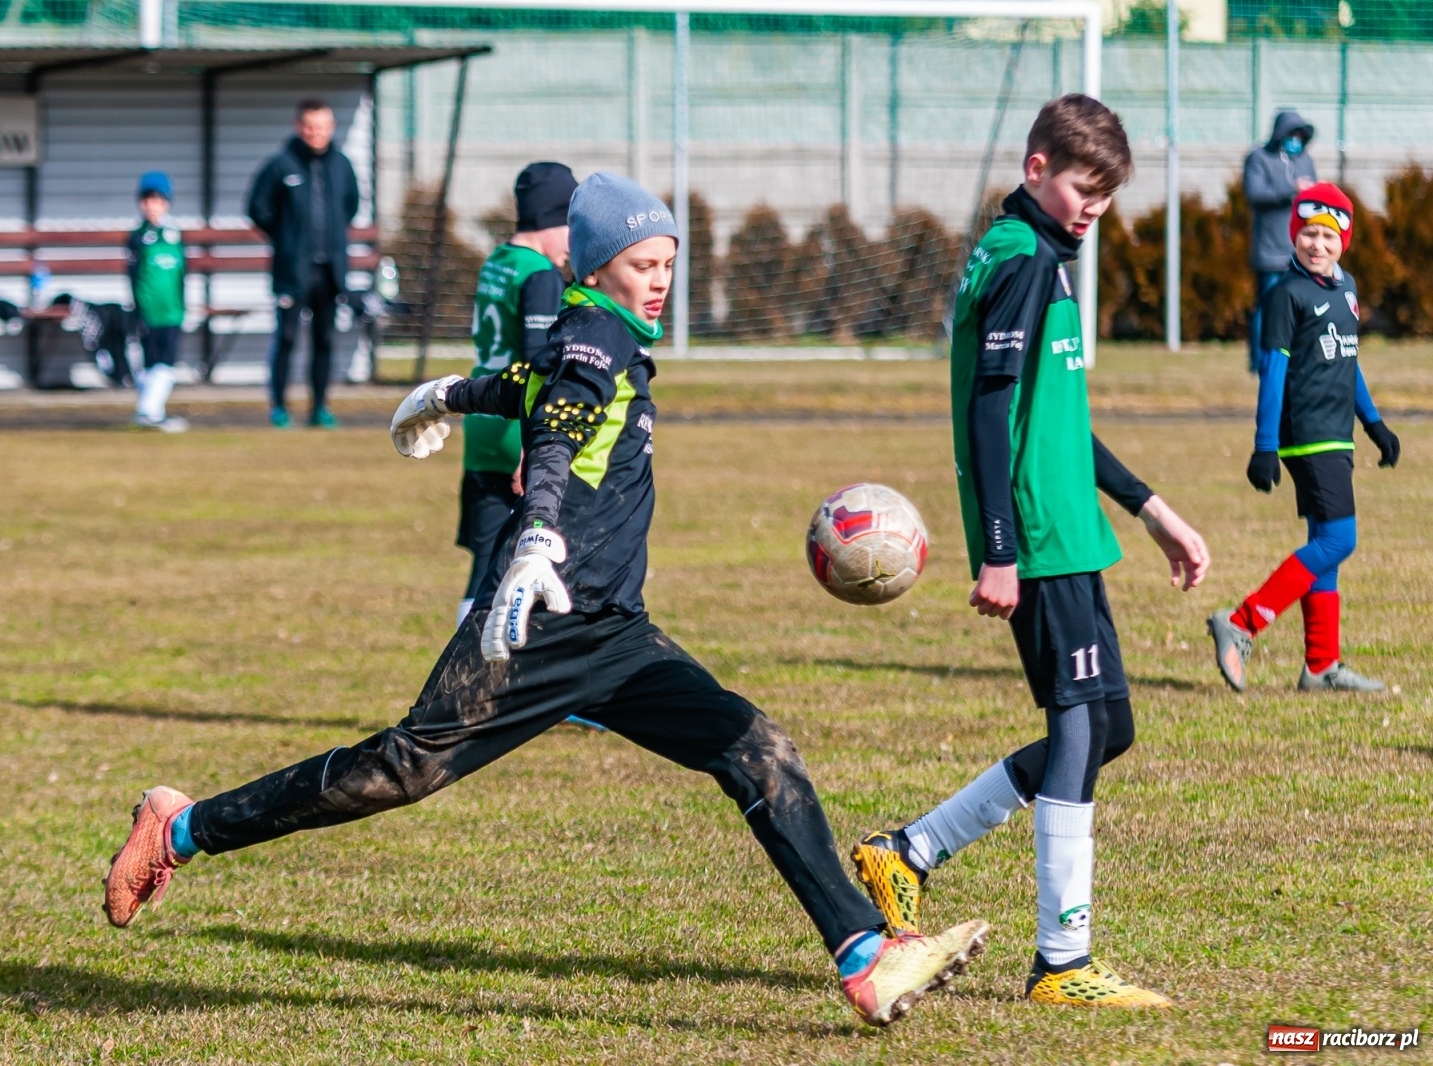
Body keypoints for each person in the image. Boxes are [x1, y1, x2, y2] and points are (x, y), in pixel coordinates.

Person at [101, 172, 990, 1029]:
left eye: (670, 267)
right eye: (646, 266)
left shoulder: (588, 334)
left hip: (615, 635)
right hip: (540, 627)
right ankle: (183, 828)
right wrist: (534, 534)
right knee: (400, 769)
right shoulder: (595, 342)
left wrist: (452, 392)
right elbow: (560, 429)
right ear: (597, 264)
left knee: (755, 749)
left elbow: (528, 387)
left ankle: (865, 958)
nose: (661, 284)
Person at [849, 95, 1210, 1009]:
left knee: (1105, 728)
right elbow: (988, 412)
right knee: (1083, 727)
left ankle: (910, 851)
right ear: (1036, 167)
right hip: (1039, 541)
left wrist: (1150, 508)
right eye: (1084, 189)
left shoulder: (1042, 254)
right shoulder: (1019, 263)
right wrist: (1000, 552)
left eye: (1107, 196)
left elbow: (1057, 421)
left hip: (1069, 532)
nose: (1095, 209)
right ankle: (1062, 963)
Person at [1208, 184, 1400, 694]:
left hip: (1339, 436)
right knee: (1341, 539)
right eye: (1308, 233)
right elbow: (1272, 374)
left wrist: (1374, 423)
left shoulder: (1347, 289)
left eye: (1328, 235)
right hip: (1307, 437)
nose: (1317, 244)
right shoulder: (1286, 295)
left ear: (1344, 241)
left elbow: (1347, 361)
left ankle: (1321, 666)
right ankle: (1244, 621)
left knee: (1326, 546)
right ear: (1294, 235)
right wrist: (1264, 445)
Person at [456, 162, 576, 629]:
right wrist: (534, 445)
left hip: (481, 426)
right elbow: (535, 366)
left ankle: (459, 670)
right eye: (570, 227)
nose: (573, 243)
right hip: (515, 430)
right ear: (552, 219)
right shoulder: (540, 275)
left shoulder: (497, 262)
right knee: (530, 562)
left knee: (485, 563)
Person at [247, 99, 360, 429]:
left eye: (322, 127)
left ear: (331, 128)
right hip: (292, 272)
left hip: (330, 272)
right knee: (287, 338)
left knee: (324, 340)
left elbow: (350, 206)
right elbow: (257, 207)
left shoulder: (342, 165)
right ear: (299, 127)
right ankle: (279, 407)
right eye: (310, 126)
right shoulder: (281, 164)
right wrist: (285, 238)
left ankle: (320, 408)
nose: (316, 133)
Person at [1244, 110, 1317, 374]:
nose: (1295, 141)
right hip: (1270, 250)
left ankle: (1294, 356)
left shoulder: (1305, 160)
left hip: (1299, 251)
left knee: (1299, 306)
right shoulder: (1258, 158)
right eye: (1291, 135)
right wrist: (1291, 190)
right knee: (1267, 306)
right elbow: (1255, 194)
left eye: (1300, 136)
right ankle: (1260, 360)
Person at [126, 171, 188, 433]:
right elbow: (134, 278)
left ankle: (152, 411)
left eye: (158, 200)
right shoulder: (138, 238)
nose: (153, 206)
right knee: (151, 360)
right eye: (148, 200)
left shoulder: (175, 235)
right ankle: (150, 412)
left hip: (172, 310)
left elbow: (182, 275)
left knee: (168, 361)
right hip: (149, 311)